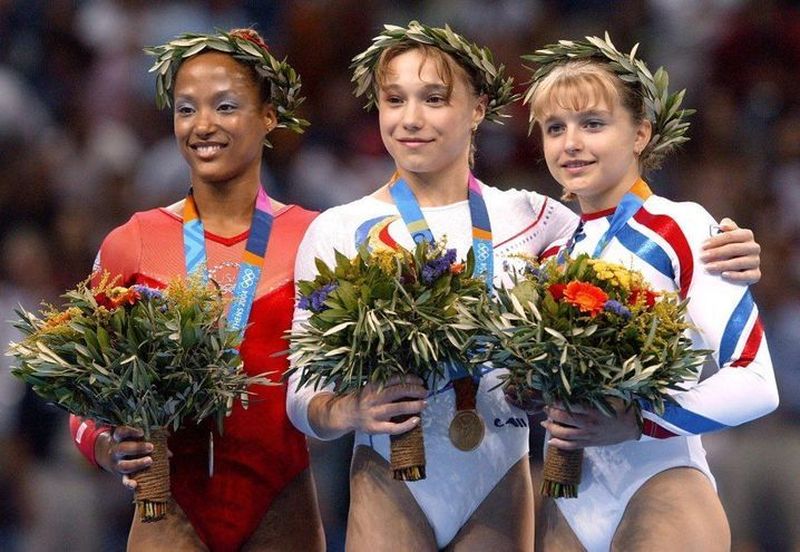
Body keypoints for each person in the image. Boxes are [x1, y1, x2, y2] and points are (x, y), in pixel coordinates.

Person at [285, 22, 763, 551]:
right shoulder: (341, 228)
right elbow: (301, 393)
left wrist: (733, 249)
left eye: (434, 98)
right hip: (454, 486)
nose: (411, 118)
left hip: (513, 484)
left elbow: (630, 237)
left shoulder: (536, 219)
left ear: (478, 109)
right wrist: (350, 409)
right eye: (394, 99)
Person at [68, 29, 325, 551]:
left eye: (225, 106)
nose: (202, 125)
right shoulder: (132, 243)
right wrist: (107, 447)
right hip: (168, 509)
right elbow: (79, 392)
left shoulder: (316, 238)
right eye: (186, 109)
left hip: (283, 507)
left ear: (269, 116)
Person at [524, 34, 780, 551]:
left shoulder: (682, 227)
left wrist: (639, 420)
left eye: (592, 124)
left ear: (641, 133)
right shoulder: (549, 256)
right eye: (555, 128)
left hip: (660, 484)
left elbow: (757, 383)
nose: (570, 143)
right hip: (565, 501)